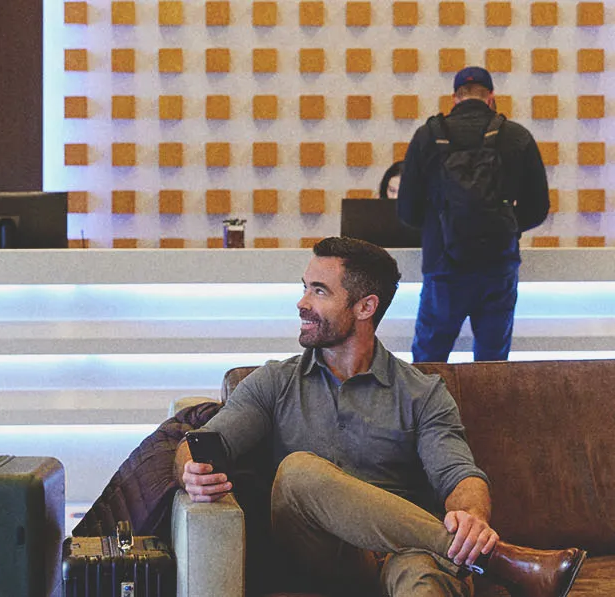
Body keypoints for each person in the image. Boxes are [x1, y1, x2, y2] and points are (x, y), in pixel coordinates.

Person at [180, 237, 584, 597]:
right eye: (305, 288)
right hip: (317, 555)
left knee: (425, 579)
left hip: (399, 554)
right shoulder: (274, 381)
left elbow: (460, 473)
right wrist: (189, 470)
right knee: (299, 472)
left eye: (319, 291)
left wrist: (473, 519)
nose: (302, 303)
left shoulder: (421, 393)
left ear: (365, 306)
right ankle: (495, 560)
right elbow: (197, 445)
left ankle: (464, 552)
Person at [397, 67, 551, 364]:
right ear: (491, 97)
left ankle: (429, 412)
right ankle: (489, 412)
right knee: (492, 361)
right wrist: (505, 227)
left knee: (430, 359)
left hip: (443, 265)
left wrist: (441, 227)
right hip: (498, 266)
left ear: (455, 98)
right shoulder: (517, 137)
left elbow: (407, 210)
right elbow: (538, 207)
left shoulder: (427, 136)